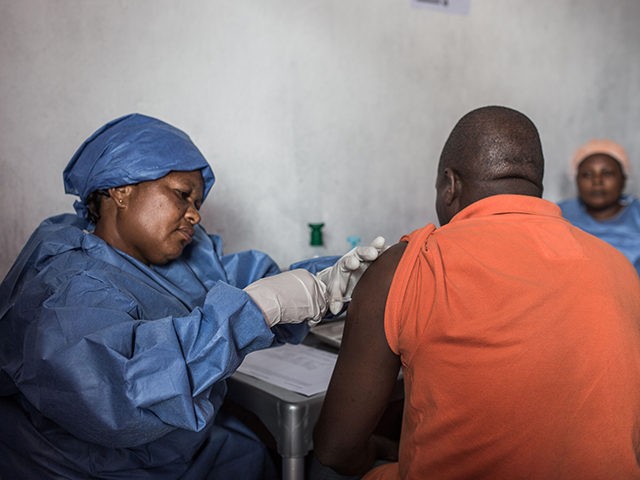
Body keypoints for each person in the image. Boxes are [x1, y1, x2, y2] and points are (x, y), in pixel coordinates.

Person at [0, 113, 385, 479]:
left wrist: (324, 277)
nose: (194, 215)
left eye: (197, 203)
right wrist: (259, 308)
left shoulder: (183, 256)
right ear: (121, 189)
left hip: (185, 451)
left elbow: (249, 283)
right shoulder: (66, 286)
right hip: (95, 468)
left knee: (257, 454)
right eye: (182, 195)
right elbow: (123, 393)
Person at [313, 106, 640, 479]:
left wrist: (384, 452)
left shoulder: (412, 263)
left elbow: (335, 449)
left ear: (450, 185)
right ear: (536, 188)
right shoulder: (620, 267)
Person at [558, 139, 640, 275]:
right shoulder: (559, 216)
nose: (597, 181)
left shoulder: (636, 216)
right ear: (576, 179)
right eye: (587, 175)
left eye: (607, 173)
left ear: (624, 179)